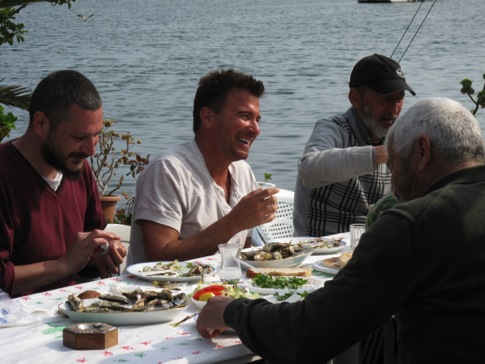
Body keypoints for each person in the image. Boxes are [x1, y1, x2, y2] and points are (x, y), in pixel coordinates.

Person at [196, 98, 485, 364]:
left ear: (422, 151)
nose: (393, 183)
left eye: (395, 165)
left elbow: (308, 333)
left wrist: (232, 311)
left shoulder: (412, 224)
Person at [127, 69, 279, 265]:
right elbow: (158, 257)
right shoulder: (169, 170)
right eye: (245, 116)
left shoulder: (243, 172)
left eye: (257, 119)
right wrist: (234, 222)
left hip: (223, 291)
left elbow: (243, 257)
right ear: (207, 117)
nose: (255, 129)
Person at [0, 70, 127, 298]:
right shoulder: (5, 175)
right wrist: (64, 265)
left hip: (68, 310)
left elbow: (84, 255)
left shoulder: (77, 167)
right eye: (79, 138)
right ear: (41, 123)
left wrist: (96, 255)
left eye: (96, 135)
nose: (91, 150)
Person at [293, 54, 415, 237]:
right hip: (317, 249)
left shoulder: (398, 136)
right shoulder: (333, 128)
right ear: (355, 98)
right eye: (385, 98)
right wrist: (379, 154)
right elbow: (309, 169)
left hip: (372, 247)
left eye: (399, 98)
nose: (394, 109)